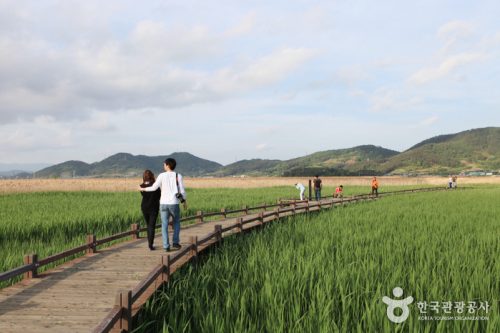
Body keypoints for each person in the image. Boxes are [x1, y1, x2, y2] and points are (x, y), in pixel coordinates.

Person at [139, 158, 187, 252]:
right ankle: (175, 242)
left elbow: (153, 188)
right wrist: (184, 201)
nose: (163, 165)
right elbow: (182, 191)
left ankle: (166, 246)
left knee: (164, 224)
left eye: (164, 164)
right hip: (174, 203)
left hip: (163, 204)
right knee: (176, 222)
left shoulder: (161, 175)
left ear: (168, 165)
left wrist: (143, 189)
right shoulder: (178, 176)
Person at [140, 170, 161, 251]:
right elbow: (159, 196)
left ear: (144, 177)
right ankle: (150, 244)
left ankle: (150, 243)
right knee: (152, 226)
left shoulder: (141, 186)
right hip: (154, 207)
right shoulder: (155, 186)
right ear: (152, 176)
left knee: (148, 225)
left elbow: (144, 195)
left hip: (144, 207)